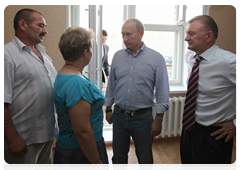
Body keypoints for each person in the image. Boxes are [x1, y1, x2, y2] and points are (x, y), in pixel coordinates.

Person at [104, 18, 170, 170]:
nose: (125, 39)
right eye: (122, 35)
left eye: (129, 34)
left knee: (145, 159)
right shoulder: (118, 56)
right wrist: (108, 108)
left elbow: (162, 90)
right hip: (119, 116)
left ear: (141, 33)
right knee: (118, 157)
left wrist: (159, 119)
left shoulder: (156, 58)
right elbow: (112, 85)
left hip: (143, 118)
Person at [180, 15, 238, 170]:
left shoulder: (230, 63)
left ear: (209, 36)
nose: (186, 38)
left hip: (215, 135)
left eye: (191, 34)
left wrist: (237, 124)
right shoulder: (190, 56)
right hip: (189, 129)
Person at [4, 8, 57, 170]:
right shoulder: (6, 55)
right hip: (23, 140)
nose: (45, 31)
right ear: (23, 24)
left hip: (47, 135)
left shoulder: (43, 54)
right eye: (40, 26)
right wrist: (13, 138)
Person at [52, 26, 109, 170]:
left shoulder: (64, 72)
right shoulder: (76, 83)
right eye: (90, 49)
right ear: (85, 53)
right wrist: (96, 162)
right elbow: (82, 131)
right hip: (81, 151)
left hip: (71, 147)